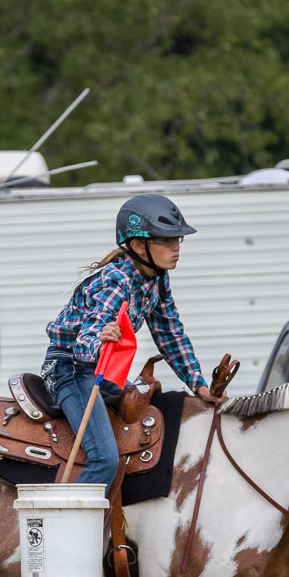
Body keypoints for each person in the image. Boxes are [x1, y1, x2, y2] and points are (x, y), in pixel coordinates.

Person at [44, 193, 219, 487]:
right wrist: (100, 339)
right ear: (138, 246)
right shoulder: (117, 281)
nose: (176, 247)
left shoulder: (157, 278)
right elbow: (86, 343)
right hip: (70, 369)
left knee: (147, 415)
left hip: (101, 371)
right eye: (166, 240)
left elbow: (171, 335)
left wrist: (198, 384)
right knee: (104, 459)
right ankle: (68, 514)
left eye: (178, 239)